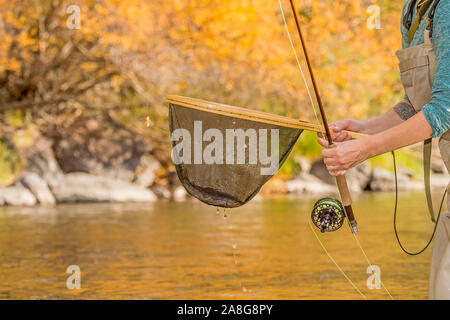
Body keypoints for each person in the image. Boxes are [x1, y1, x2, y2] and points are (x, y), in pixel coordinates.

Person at [318, 0, 450, 299]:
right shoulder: (412, 12)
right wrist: (361, 129)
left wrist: (364, 151)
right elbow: (414, 105)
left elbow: (443, 111)